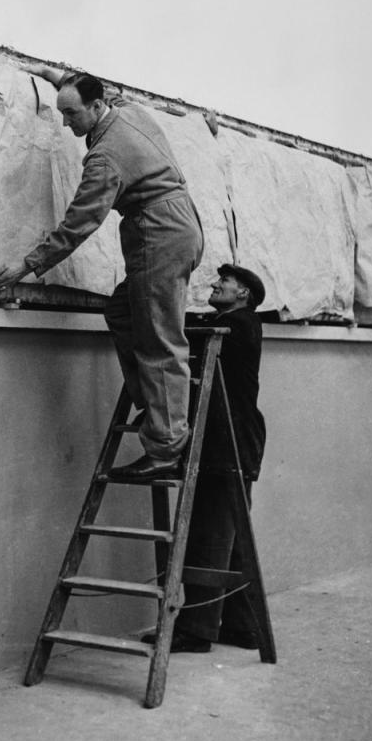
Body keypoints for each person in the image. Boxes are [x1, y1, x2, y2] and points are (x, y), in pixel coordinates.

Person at [0, 66, 204, 478]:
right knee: (123, 313)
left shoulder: (106, 157)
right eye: (62, 112)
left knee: (159, 340)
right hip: (182, 225)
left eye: (71, 114)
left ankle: (165, 449)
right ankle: (161, 408)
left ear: (95, 106)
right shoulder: (128, 111)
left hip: (158, 235)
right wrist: (55, 75)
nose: (66, 122)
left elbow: (79, 224)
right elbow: (94, 90)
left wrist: (27, 265)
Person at [147, 263, 267, 653]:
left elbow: (188, 337)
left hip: (225, 442)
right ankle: (242, 626)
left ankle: (197, 630)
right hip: (236, 440)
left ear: (243, 293)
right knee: (231, 535)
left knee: (208, 534)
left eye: (225, 282)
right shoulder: (240, 323)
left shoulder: (237, 326)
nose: (216, 284)